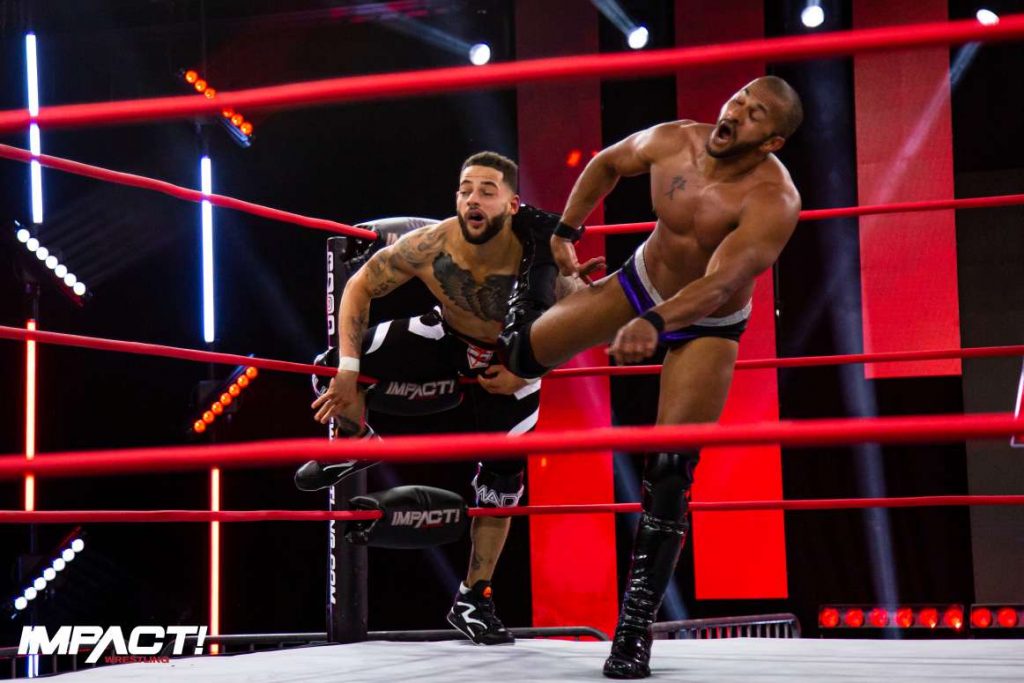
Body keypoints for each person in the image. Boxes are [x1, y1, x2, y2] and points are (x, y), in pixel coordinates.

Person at [499, 76, 803, 678]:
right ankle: (556, 285)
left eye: (755, 114)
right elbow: (607, 164)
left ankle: (633, 632)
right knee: (517, 355)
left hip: (708, 323)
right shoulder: (674, 141)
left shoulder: (774, 199)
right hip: (641, 283)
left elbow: (720, 283)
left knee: (670, 471)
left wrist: (655, 323)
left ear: (772, 141)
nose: (736, 111)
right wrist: (565, 232)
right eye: (739, 98)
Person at [299, 151, 581, 645]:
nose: (473, 199)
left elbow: (582, 320)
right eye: (465, 189)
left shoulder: (539, 256)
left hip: (513, 358)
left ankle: (473, 598)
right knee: (329, 366)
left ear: (512, 204)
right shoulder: (431, 244)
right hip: (446, 336)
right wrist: (348, 370)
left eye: (487, 191)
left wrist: (528, 369)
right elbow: (360, 287)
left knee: (502, 483)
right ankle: (357, 439)